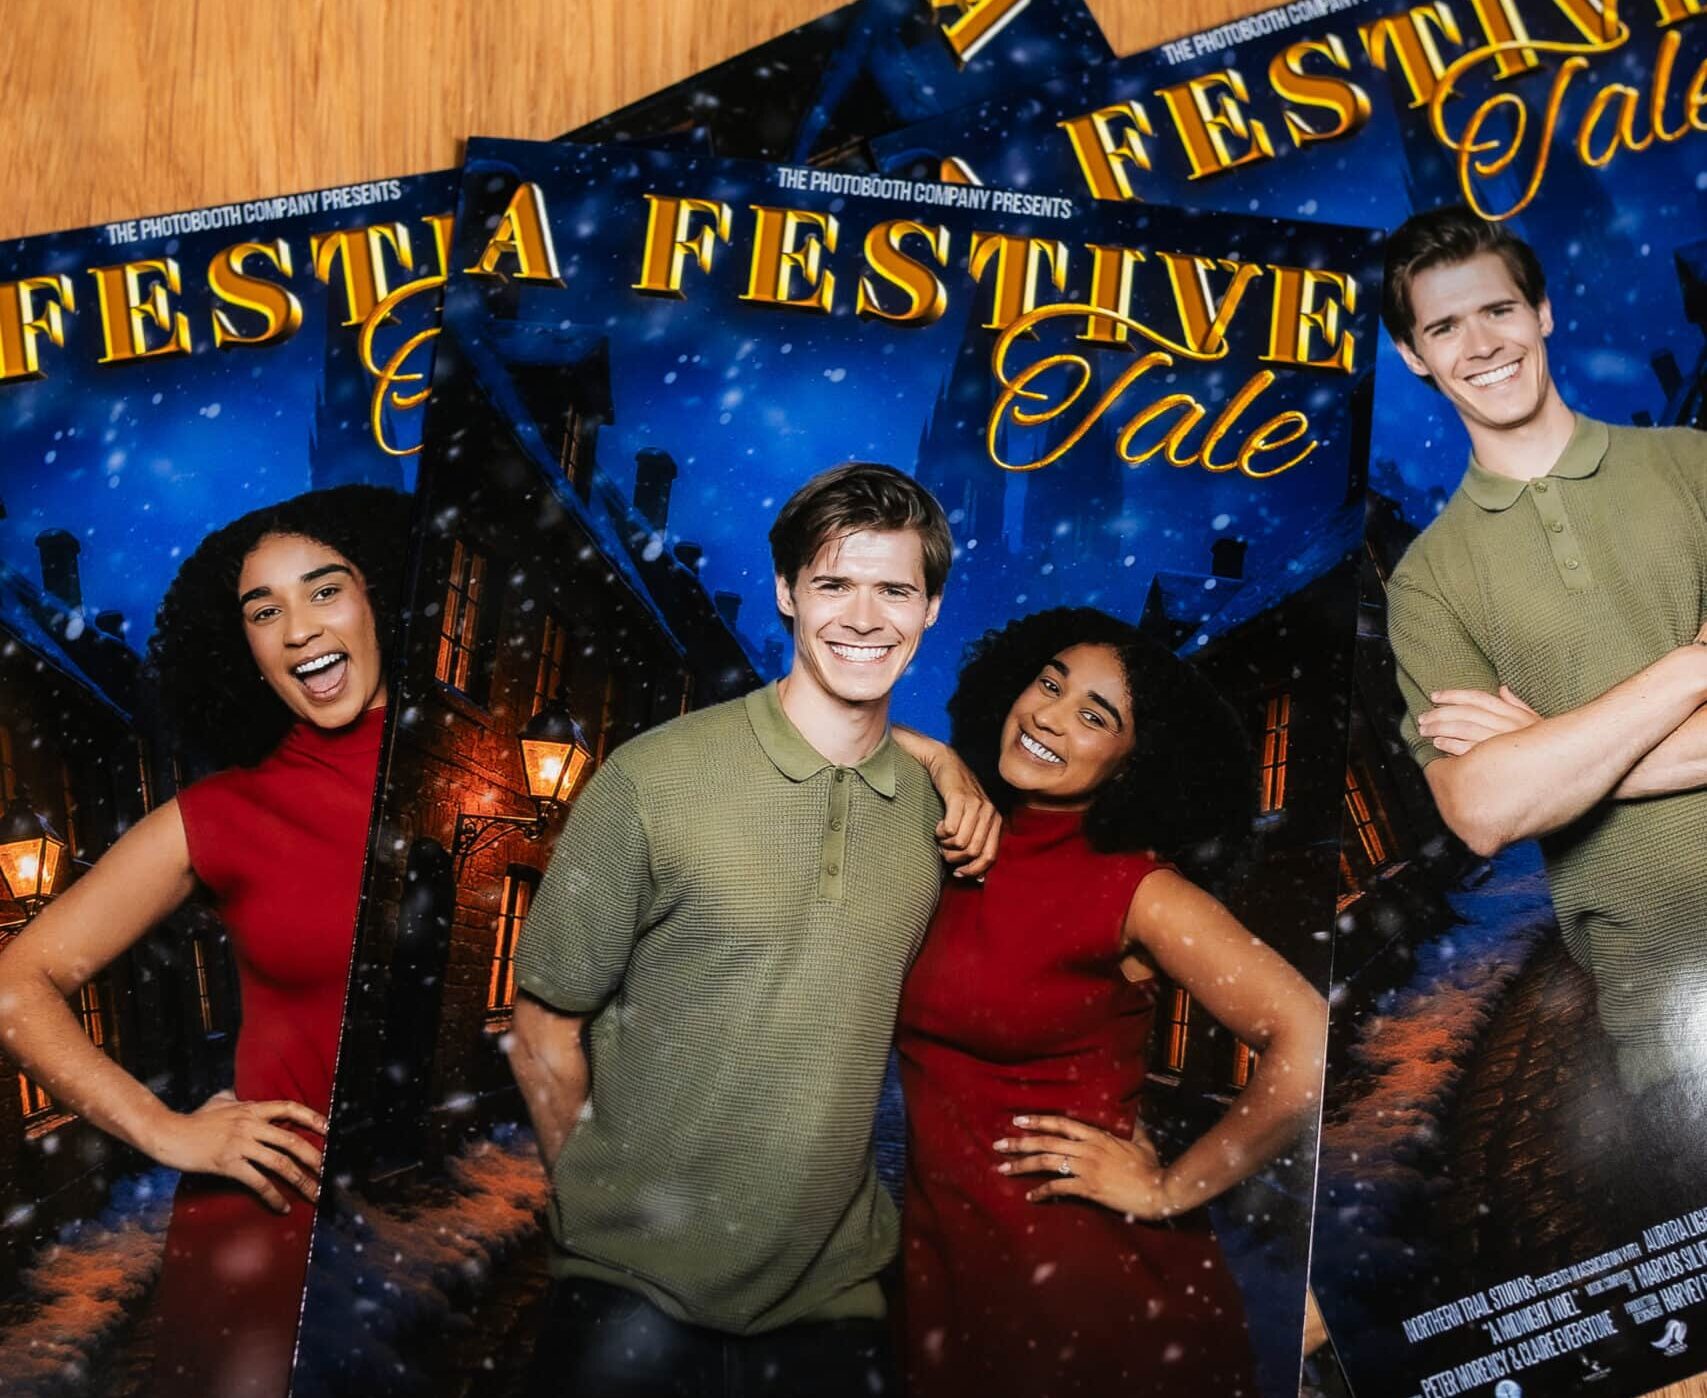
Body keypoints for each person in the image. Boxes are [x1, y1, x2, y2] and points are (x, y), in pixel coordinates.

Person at [506, 462, 998, 1398]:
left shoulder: (938, 822)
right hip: (627, 1293)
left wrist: (949, 764)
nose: (863, 616)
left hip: (834, 1301)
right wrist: (614, 1210)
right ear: (785, 593)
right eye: (832, 584)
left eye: (894, 588)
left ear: (930, 607)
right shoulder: (652, 780)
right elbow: (541, 1033)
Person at [0, 485, 412, 1398]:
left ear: (380, 598)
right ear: (247, 652)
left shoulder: (487, 780)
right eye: (264, 612)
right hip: (269, 1234)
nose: (298, 628)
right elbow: (15, 986)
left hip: (434, 1220)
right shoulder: (222, 816)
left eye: (324, 590)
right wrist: (165, 1130)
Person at [897, 607, 1328, 1398]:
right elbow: (822, 728)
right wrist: (938, 760)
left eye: (1093, 716)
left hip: (1084, 1298)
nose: (1048, 716)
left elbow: (1307, 1036)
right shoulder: (963, 840)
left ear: (1134, 761)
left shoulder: (1137, 890)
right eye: (1048, 683)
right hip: (946, 1271)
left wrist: (1170, 1188)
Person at [1380, 205, 1707, 1119]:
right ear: (1414, 356)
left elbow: (1520, 790)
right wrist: (1689, 669)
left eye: (1497, 311)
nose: (1480, 344)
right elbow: (1483, 813)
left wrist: (1550, 752)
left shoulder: (1692, 464)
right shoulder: (1426, 583)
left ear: (1541, 314)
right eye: (1443, 326)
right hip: (1665, 1020)